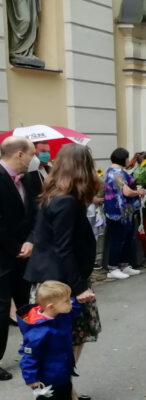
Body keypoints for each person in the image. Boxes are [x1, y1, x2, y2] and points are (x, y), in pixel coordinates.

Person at [25, 143, 101, 400]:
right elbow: (64, 248)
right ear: (83, 169)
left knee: (58, 343)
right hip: (63, 284)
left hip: (54, 280)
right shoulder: (67, 201)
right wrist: (79, 288)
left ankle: (66, 391)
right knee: (66, 342)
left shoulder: (54, 195)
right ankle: (57, 392)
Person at [0, 136, 38, 381]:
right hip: (2, 255)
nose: (35, 159)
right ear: (20, 154)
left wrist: (32, 240)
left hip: (25, 254)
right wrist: (16, 246)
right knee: (2, 307)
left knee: (25, 304)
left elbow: (37, 212)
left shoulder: (31, 178)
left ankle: (32, 347)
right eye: (33, 153)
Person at [17, 281, 81, 400]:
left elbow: (71, 313)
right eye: (67, 301)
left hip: (63, 373)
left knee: (66, 394)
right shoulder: (38, 332)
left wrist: (79, 301)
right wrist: (31, 379)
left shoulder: (59, 315)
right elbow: (29, 357)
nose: (71, 301)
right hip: (49, 380)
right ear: (51, 306)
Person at [103, 148, 146, 280]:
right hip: (118, 212)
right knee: (118, 240)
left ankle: (123, 265)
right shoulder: (117, 173)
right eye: (127, 158)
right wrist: (139, 192)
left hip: (124, 211)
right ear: (123, 159)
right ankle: (112, 267)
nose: (129, 160)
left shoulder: (115, 171)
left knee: (126, 239)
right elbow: (126, 192)